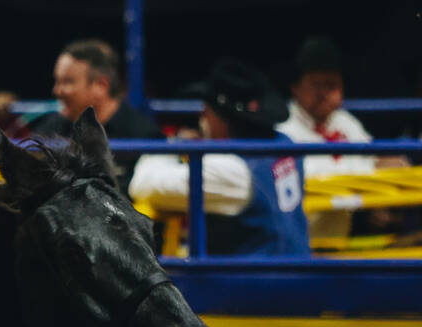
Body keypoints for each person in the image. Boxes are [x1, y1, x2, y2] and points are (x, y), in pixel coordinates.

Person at [129, 58, 309, 256]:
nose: (202, 117)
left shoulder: (231, 170)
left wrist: (175, 144)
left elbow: (141, 184)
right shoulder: (286, 142)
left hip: (252, 282)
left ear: (220, 118)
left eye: (206, 110)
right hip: (295, 268)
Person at [27, 38, 164, 189]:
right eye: (57, 81)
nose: (56, 91)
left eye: (67, 82)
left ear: (101, 86)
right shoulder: (51, 128)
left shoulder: (143, 135)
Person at [275, 37, 379, 177]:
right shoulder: (283, 128)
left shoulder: (346, 122)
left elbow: (372, 159)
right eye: (316, 85)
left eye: (331, 86)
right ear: (296, 88)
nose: (323, 94)